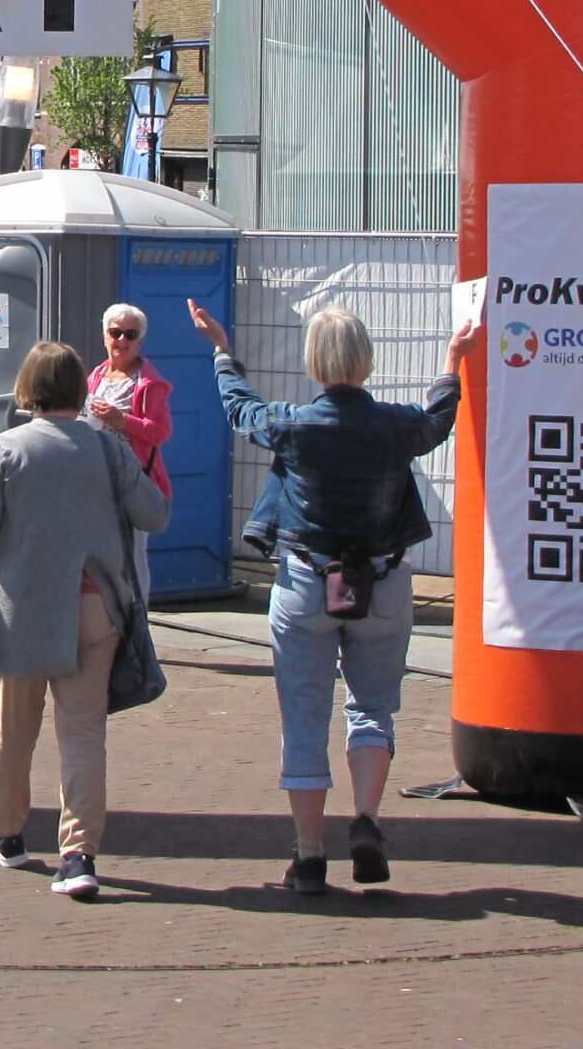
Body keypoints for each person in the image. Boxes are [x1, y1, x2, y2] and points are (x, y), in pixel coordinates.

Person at [189, 299, 479, 895]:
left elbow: (240, 410)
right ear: (366, 360)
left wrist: (222, 351)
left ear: (314, 361)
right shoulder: (397, 426)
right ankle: (367, 820)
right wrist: (453, 358)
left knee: (304, 719)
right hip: (385, 581)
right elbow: (437, 418)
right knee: (372, 708)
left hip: (305, 584)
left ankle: (309, 854)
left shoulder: (294, 425)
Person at [0, 340, 169, 902]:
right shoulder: (108, 451)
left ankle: (6, 828)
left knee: (12, 728)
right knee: (83, 734)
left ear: (27, 389)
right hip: (95, 606)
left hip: (20, 609)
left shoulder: (2, 451)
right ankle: (78, 855)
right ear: (80, 389)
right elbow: (155, 513)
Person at [84, 303, 173, 592]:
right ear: (105, 336)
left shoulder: (148, 383)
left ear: (140, 341)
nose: (121, 340)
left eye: (130, 334)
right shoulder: (96, 375)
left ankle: (137, 619)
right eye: (115, 332)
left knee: (133, 554)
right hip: (97, 477)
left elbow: (160, 432)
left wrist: (120, 419)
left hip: (132, 479)